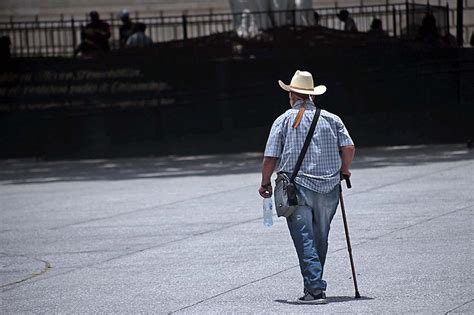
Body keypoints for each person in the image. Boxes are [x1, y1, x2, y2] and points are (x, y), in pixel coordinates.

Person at [259, 70, 355, 304]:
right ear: (311, 95)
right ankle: (313, 284)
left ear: (292, 94)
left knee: (305, 239)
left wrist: (264, 183)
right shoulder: (332, 119)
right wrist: (344, 170)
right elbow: (349, 148)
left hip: (297, 188)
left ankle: (314, 290)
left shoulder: (282, 120)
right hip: (329, 186)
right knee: (320, 238)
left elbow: (270, 157)